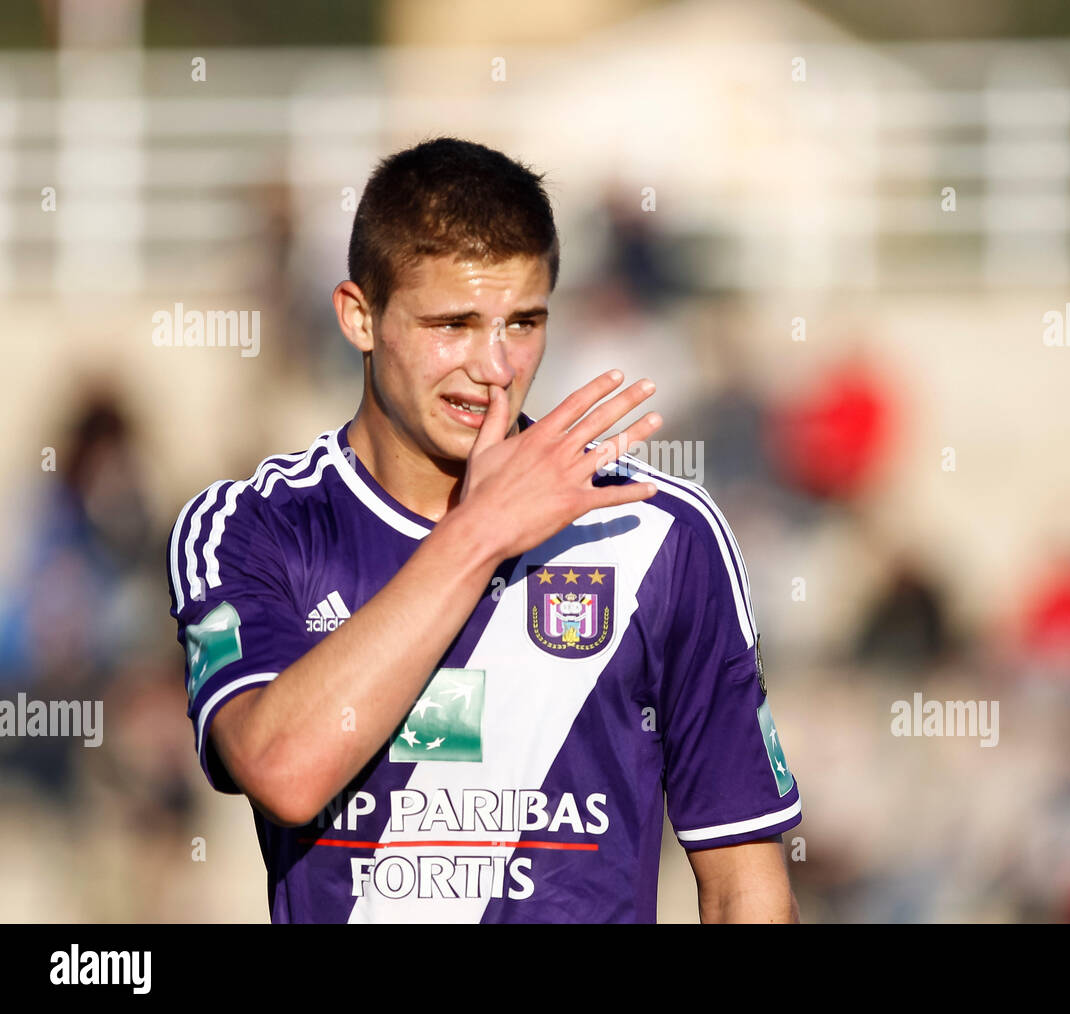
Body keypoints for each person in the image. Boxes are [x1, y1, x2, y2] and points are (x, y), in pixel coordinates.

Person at [165, 137, 802, 923]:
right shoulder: (253, 526)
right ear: (359, 317)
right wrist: (480, 533)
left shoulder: (658, 533)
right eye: (453, 323)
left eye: (523, 322)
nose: (494, 365)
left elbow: (745, 885)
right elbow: (284, 770)